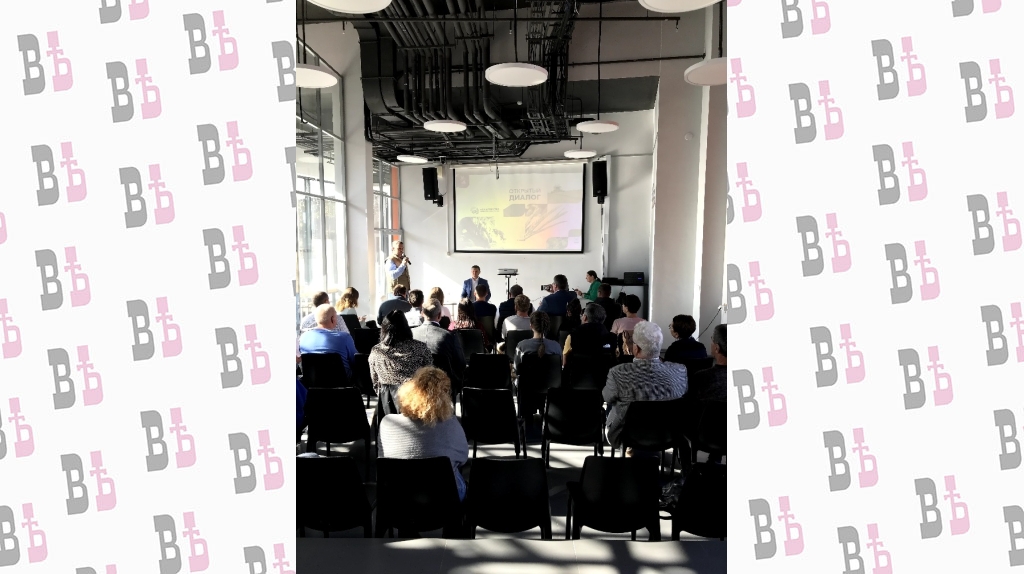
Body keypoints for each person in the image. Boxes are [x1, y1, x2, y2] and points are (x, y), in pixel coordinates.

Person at [379, 366, 470, 501]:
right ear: (445, 397)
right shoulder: (451, 424)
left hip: (399, 495)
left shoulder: (387, 422)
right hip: (443, 497)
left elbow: (383, 459)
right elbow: (463, 458)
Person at [602, 321, 687, 450]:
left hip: (625, 435)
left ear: (636, 349)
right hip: (667, 434)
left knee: (615, 402)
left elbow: (607, 397)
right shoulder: (680, 370)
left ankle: (631, 448)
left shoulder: (617, 372)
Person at [369, 310, 434, 417]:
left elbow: (375, 383)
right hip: (416, 404)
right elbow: (429, 377)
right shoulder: (421, 348)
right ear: (406, 327)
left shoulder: (376, 351)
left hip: (386, 406)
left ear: (384, 329)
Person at [682, 324, 726, 465]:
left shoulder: (701, 377)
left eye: (712, 339)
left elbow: (688, 407)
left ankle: (688, 469)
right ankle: (715, 458)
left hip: (704, 435)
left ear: (716, 348)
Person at [412, 299, 467, 388]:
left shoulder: (411, 334)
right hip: (444, 386)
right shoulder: (449, 336)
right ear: (439, 315)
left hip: (417, 385)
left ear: (422, 313)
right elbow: (461, 364)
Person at [298, 304, 357, 378]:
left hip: (312, 383)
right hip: (342, 382)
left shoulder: (304, 337)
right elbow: (356, 361)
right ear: (333, 319)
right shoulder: (344, 337)